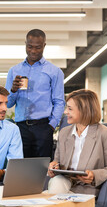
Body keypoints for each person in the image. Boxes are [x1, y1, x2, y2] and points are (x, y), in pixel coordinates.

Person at [5, 29, 65, 160]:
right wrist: (13, 90)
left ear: (44, 45)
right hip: (20, 128)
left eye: (38, 47)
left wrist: (51, 126)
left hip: (43, 127)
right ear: (25, 44)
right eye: (29, 46)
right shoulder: (14, 70)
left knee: (42, 169)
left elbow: (59, 101)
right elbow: (8, 103)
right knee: (20, 167)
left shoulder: (54, 71)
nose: (33, 51)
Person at [48, 89, 107, 196]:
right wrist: (54, 166)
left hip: (87, 188)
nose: (65, 112)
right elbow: (57, 161)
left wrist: (94, 175)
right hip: (64, 183)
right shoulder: (64, 133)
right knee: (57, 183)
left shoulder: (105, 134)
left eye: (70, 109)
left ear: (84, 110)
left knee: (54, 196)